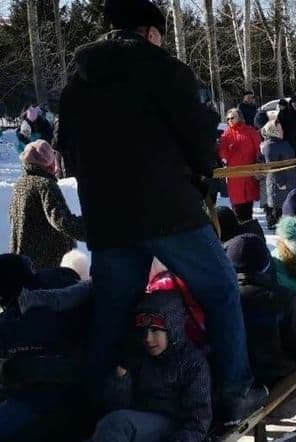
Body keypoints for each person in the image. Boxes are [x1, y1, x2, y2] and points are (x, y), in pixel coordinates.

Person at [54, 0, 265, 423]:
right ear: (150, 32)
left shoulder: (77, 83)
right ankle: (236, 392)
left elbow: (68, 154)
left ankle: (99, 399)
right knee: (221, 286)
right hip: (168, 211)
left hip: (109, 219)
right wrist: (201, 173)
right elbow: (200, 140)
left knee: (113, 309)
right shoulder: (164, 70)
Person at [91, 292, 212, 442]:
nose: (147, 338)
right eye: (144, 331)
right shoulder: (139, 356)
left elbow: (198, 421)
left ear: (173, 328)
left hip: (174, 427)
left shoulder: (193, 363)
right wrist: (121, 381)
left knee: (117, 424)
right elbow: (116, 406)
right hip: (140, 423)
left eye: (155, 330)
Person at [0, 254, 93, 441]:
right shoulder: (65, 286)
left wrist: (11, 368)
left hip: (52, 400)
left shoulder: (22, 321)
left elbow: (69, 369)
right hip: (76, 395)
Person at [225, 233, 296, 386]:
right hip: (277, 377)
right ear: (266, 263)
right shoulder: (283, 298)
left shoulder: (220, 298)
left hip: (234, 378)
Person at [9, 140, 86, 269]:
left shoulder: (19, 184)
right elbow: (62, 221)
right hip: (47, 263)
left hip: (25, 260)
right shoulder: (45, 185)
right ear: (47, 163)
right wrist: (91, 228)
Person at [220, 108, 263, 222]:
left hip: (249, 173)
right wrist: (225, 154)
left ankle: (249, 226)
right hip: (235, 176)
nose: (230, 120)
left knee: (248, 206)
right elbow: (222, 150)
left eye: (232, 118)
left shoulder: (250, 131)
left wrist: (258, 162)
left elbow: (258, 148)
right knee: (237, 206)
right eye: (228, 118)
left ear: (239, 117)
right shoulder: (226, 133)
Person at [260, 120, 296, 229]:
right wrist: (280, 183)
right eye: (279, 129)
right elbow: (272, 166)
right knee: (278, 208)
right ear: (273, 130)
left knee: (287, 207)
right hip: (279, 183)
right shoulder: (270, 145)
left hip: (289, 179)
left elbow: (291, 160)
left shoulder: (283, 142)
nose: (282, 131)